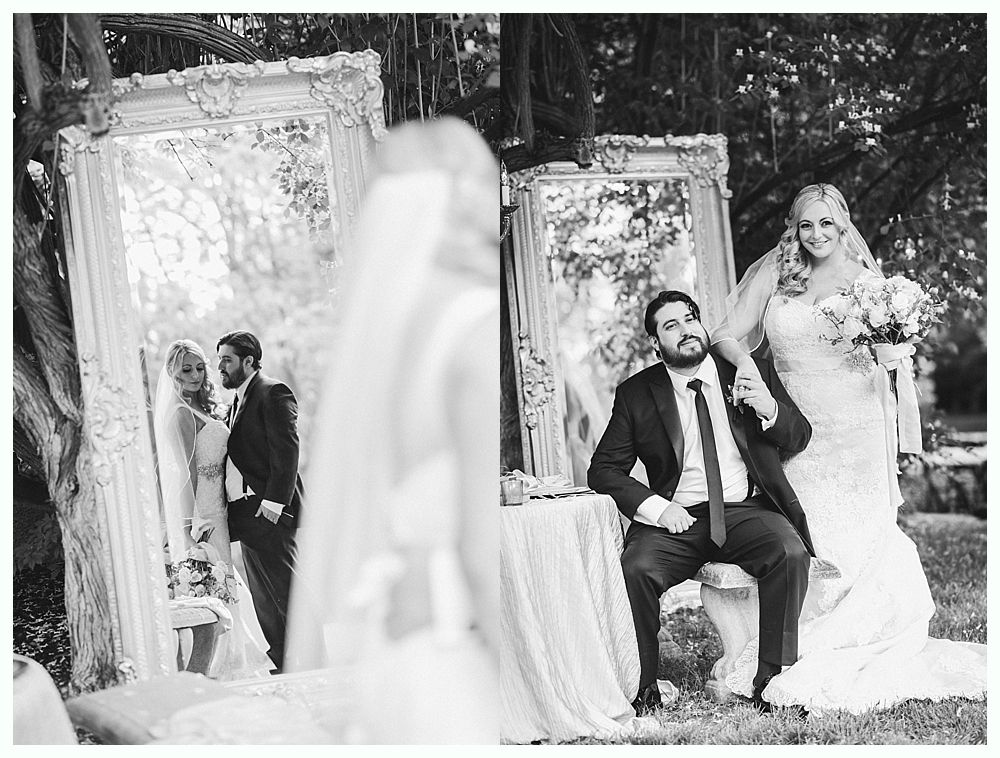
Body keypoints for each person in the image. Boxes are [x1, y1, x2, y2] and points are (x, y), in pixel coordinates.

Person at [710, 183, 986, 713]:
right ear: (796, 226)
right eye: (806, 225)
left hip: (854, 426)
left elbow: (891, 357)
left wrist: (890, 352)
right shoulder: (777, 271)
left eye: (826, 225)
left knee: (854, 534)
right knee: (804, 525)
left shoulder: (866, 283)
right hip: (794, 426)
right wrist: (746, 363)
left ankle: (851, 635)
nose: (816, 235)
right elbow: (727, 331)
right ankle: (791, 631)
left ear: (842, 225)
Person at [285, 117, 499, 743]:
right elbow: (482, 552)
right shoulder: (471, 329)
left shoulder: (391, 336)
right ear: (459, 196)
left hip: (396, 634)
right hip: (450, 628)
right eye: (489, 181)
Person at [588, 289, 814, 715]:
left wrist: (767, 407)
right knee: (635, 568)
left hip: (744, 510)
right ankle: (644, 687)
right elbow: (603, 469)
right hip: (677, 517)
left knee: (789, 553)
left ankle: (771, 681)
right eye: (671, 325)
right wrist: (657, 507)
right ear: (656, 343)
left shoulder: (746, 371)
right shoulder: (637, 394)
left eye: (690, 318)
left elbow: (799, 435)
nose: (686, 329)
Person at [152, 338, 273, 680]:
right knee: (215, 581)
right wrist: (196, 521)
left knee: (224, 580)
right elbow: (186, 472)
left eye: (199, 367)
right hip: (204, 508)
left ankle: (228, 661)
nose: (194, 375)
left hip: (219, 504)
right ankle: (217, 665)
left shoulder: (205, 408)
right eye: (185, 369)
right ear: (172, 373)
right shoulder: (180, 414)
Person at [217, 330, 304, 674]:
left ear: (248, 360)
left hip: (271, 512)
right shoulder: (238, 399)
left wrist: (273, 504)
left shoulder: (272, 392)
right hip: (248, 514)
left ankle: (311, 656)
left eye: (227, 359)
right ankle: (283, 661)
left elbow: (288, 451)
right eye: (220, 358)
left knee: (290, 589)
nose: (220, 366)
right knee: (265, 595)